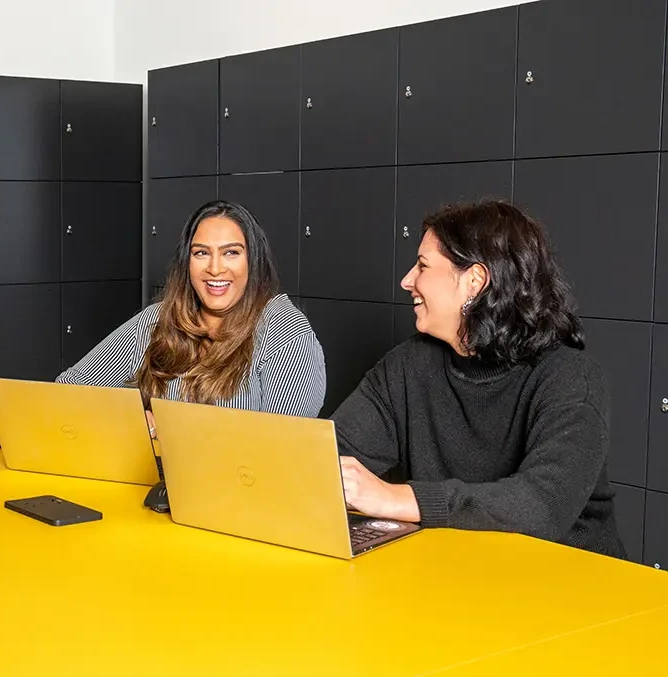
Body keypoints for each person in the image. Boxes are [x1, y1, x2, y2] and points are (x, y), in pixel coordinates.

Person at [333, 199, 624, 559]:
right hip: (460, 572)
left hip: (569, 583)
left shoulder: (570, 377)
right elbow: (334, 453)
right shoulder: (409, 365)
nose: (407, 280)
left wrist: (397, 497)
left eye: (423, 265)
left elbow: (542, 506)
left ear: (474, 280)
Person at [58, 200, 326, 429]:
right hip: (154, 482)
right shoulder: (158, 319)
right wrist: (131, 421)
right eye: (201, 253)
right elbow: (69, 389)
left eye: (231, 253)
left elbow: (287, 445)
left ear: (253, 261)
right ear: (187, 262)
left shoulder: (282, 327)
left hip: (237, 486)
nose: (215, 268)